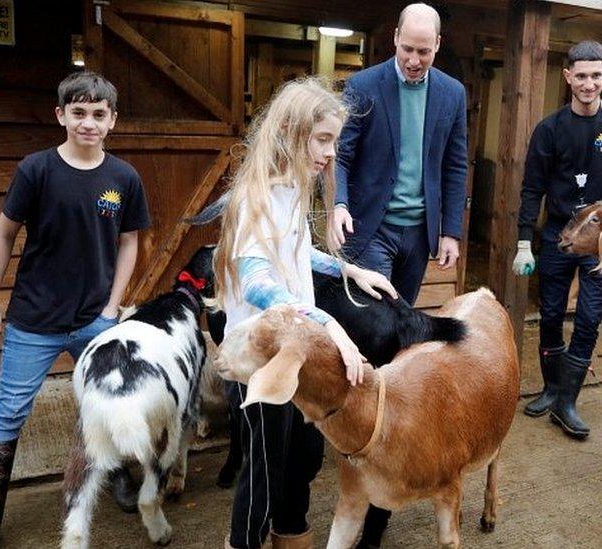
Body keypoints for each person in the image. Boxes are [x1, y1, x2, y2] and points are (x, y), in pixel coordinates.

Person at [0, 71, 151, 548]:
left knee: (108, 403)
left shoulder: (124, 178)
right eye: (78, 113)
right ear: (61, 116)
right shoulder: (36, 169)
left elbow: (130, 243)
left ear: (112, 120)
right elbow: (4, 235)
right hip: (35, 317)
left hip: (96, 317)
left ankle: (116, 476)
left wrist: (113, 307)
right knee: (7, 412)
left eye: (98, 114)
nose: (88, 123)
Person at [213, 77, 397, 549]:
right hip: (258, 360)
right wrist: (329, 325)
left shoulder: (290, 190)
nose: (331, 152)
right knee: (262, 476)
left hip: (291, 351)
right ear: (292, 132)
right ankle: (247, 541)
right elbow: (258, 281)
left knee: (302, 459)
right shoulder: (257, 199)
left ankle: (290, 532)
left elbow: (294, 252)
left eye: (334, 140)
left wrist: (347, 270)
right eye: (323, 139)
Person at [513, 41, 602, 440]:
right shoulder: (549, 129)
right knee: (552, 314)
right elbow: (531, 187)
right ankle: (551, 389)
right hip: (559, 233)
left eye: (596, 75)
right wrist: (524, 241)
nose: (588, 84)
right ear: (568, 76)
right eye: (581, 76)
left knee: (589, 318)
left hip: (600, 239)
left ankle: (568, 400)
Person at [326, 2, 468, 306]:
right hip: (371, 226)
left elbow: (455, 167)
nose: (413, 60)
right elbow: (342, 155)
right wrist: (339, 203)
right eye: (407, 49)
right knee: (376, 318)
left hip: (419, 233)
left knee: (403, 318)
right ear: (395, 38)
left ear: (437, 45)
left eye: (423, 52)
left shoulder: (453, 93)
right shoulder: (363, 86)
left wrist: (451, 232)